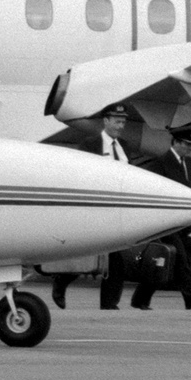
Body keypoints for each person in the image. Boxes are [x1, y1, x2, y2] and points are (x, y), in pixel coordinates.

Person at [52, 105, 130, 310]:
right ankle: (61, 282)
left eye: (123, 122)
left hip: (115, 212)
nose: (120, 126)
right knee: (86, 256)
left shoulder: (124, 148)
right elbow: (81, 176)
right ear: (106, 121)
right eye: (117, 121)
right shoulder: (91, 145)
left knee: (116, 260)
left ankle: (109, 303)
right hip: (95, 210)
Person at [130, 129, 191, 311]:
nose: (190, 148)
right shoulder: (160, 164)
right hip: (164, 222)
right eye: (187, 144)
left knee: (166, 261)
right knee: (181, 260)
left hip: (181, 223)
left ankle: (140, 299)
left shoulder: (190, 164)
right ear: (176, 143)